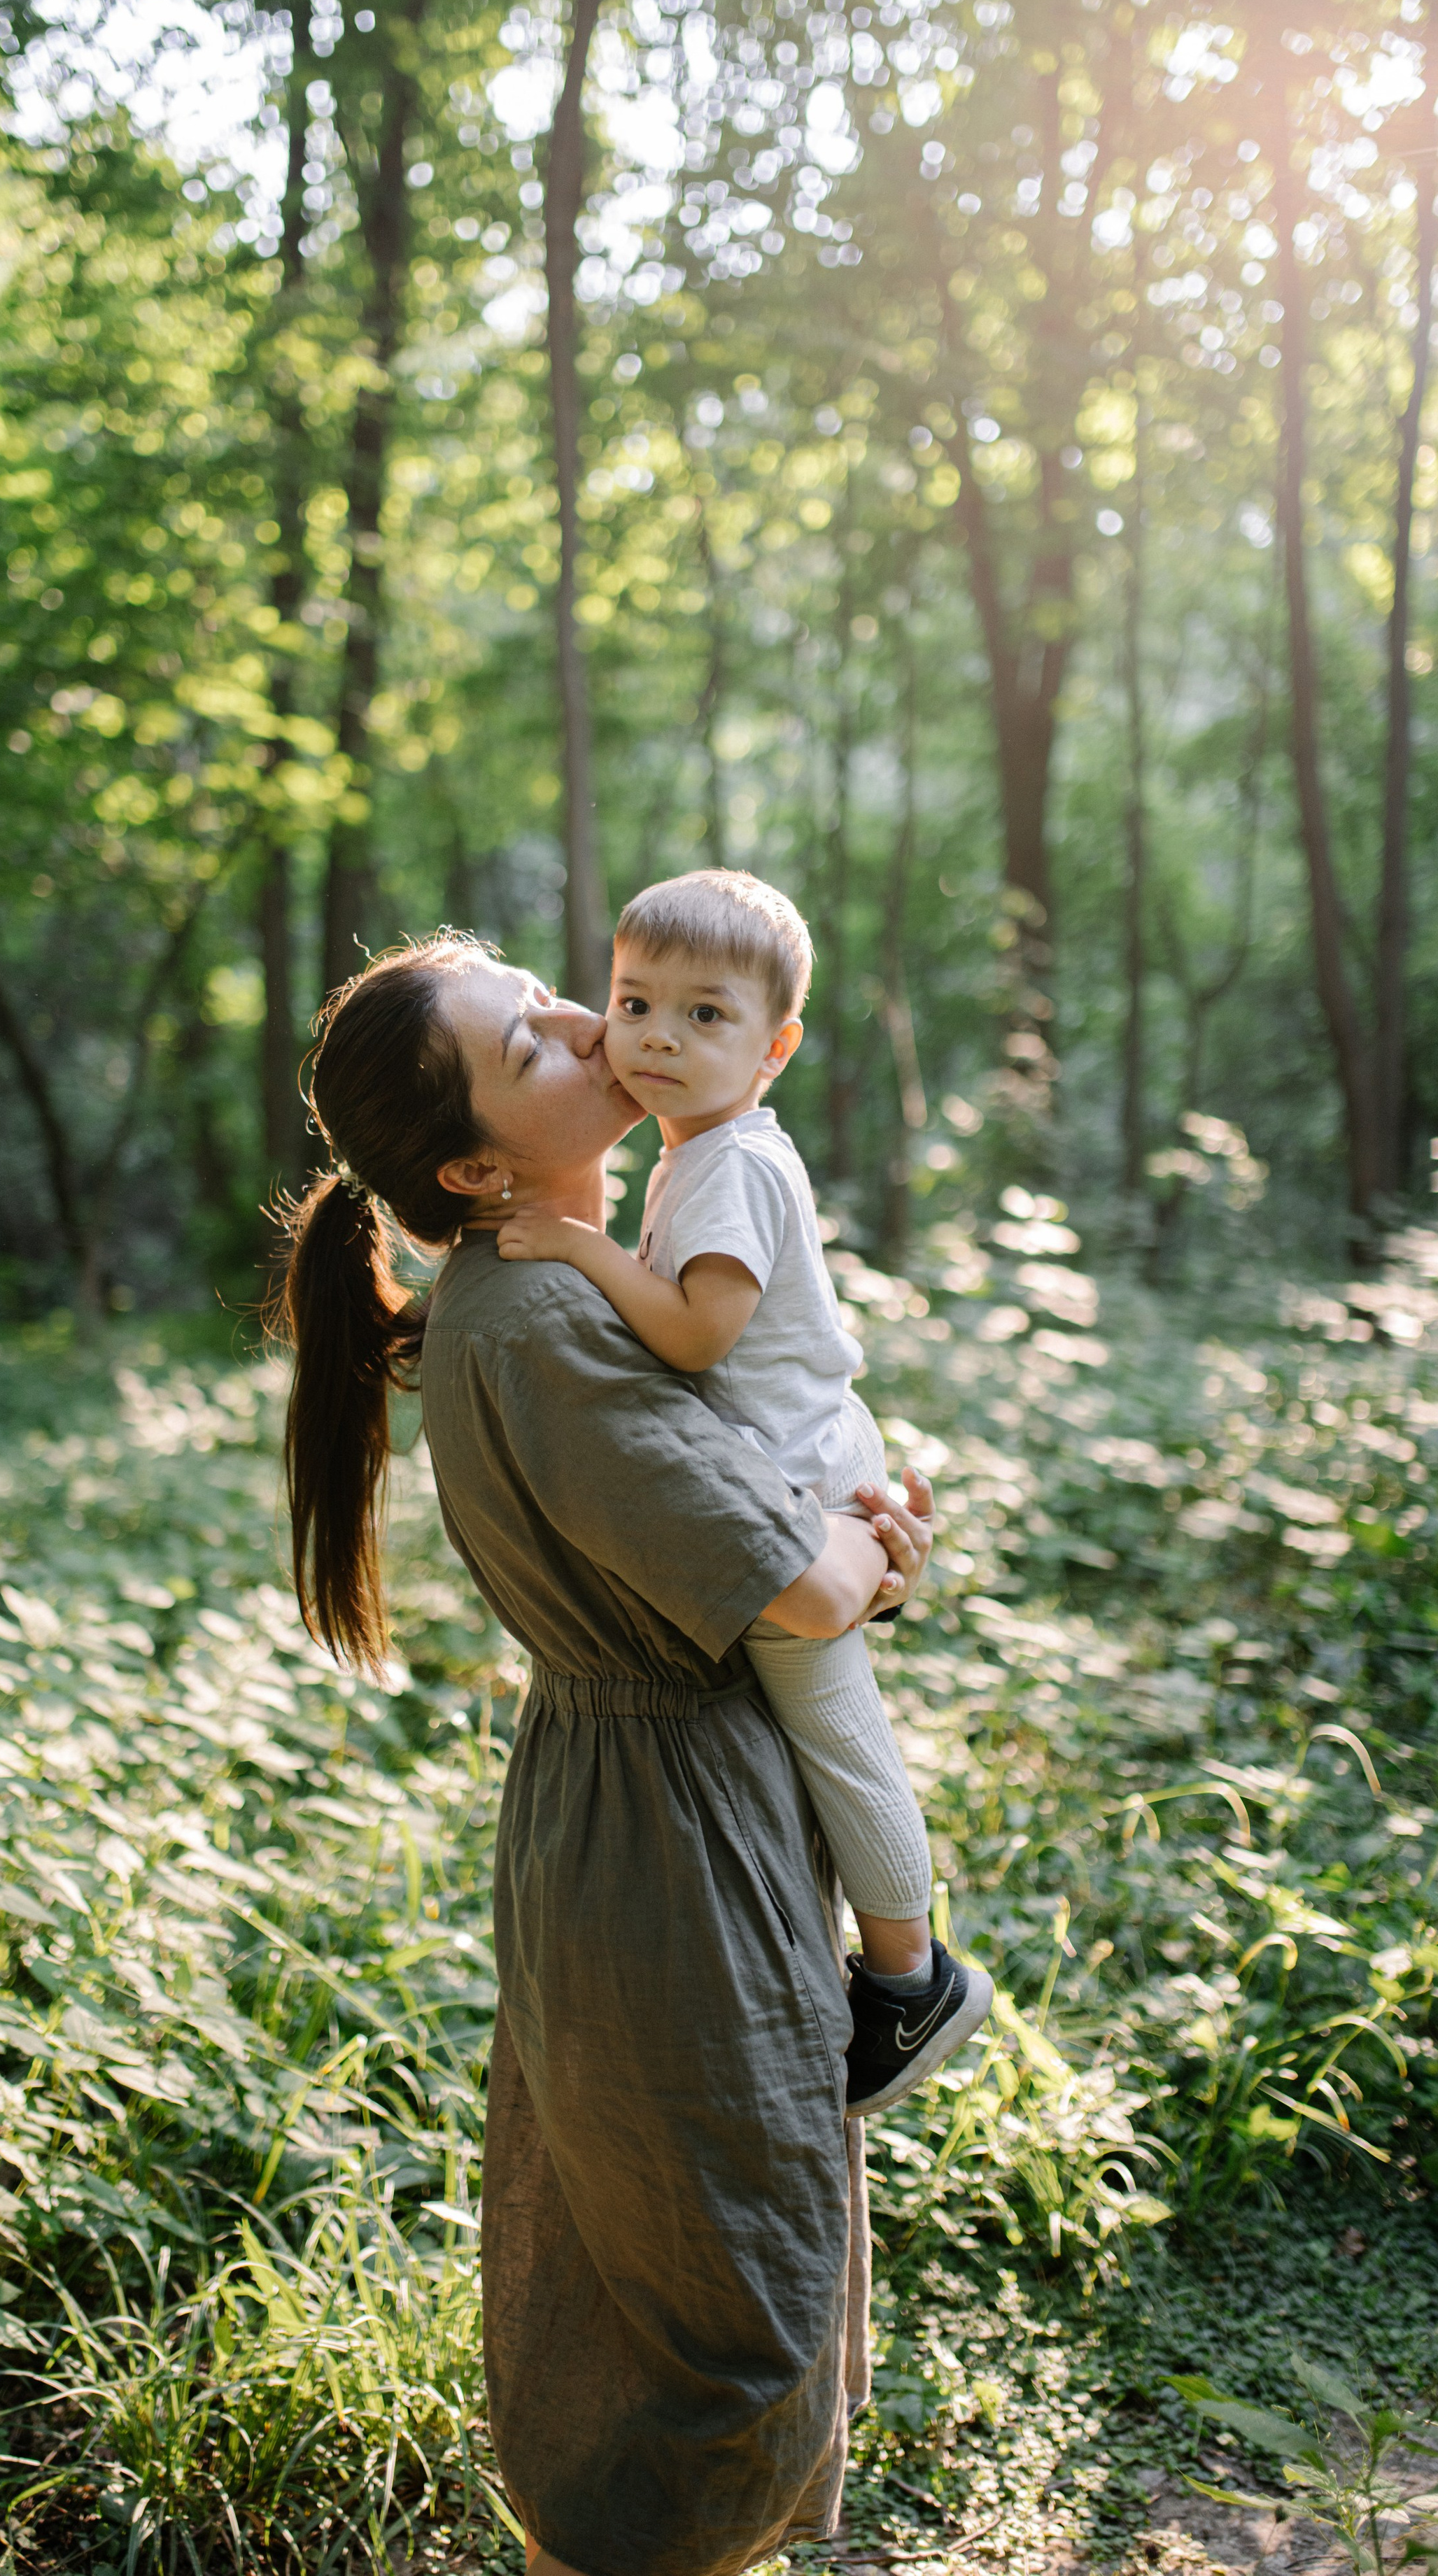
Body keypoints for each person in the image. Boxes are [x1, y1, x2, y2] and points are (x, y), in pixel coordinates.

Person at [273, 934, 936, 2576]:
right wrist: (866, 1544)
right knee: (719, 2312)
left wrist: (849, 1540)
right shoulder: (544, 1320)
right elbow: (797, 1584)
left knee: (660, 2281)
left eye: (544, 990)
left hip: (657, 1804)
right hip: (667, 1845)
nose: (589, 1024)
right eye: (532, 1040)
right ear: (474, 1169)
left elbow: (756, 1535)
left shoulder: (575, 1281)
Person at [496, 870, 991, 2116]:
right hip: (803, 1450)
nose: (656, 1038)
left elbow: (699, 1333)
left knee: (836, 1728)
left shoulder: (725, 1169)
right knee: (819, 1723)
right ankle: (897, 1961)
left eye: (705, 1016)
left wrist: (582, 1247)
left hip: (803, 1473)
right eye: (633, 1003)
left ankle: (912, 1976)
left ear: (776, 1049)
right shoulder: (706, 1148)